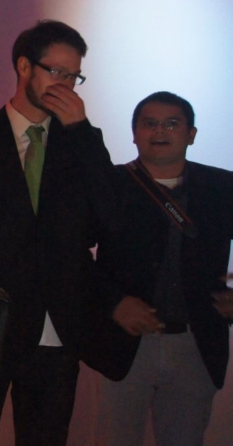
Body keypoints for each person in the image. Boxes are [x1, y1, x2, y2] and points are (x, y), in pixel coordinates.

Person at [0, 19, 116, 446]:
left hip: (55, 326)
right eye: (57, 72)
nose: (66, 85)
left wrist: (83, 134)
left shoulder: (81, 144)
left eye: (74, 76)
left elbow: (113, 220)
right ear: (24, 67)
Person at [92, 92, 233, 445]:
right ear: (134, 134)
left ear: (192, 134)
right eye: (149, 123)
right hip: (123, 342)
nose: (159, 131)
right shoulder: (110, 185)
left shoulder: (222, 187)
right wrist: (114, 302)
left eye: (171, 123)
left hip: (195, 343)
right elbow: (70, 255)